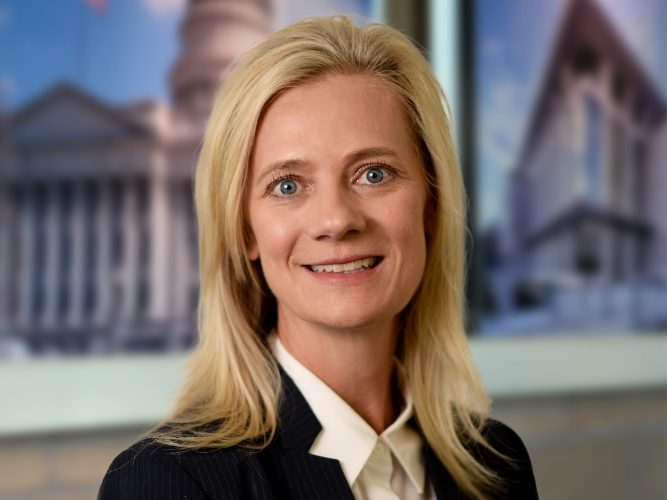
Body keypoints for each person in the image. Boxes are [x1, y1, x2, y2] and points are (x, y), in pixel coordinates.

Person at [99, 15, 538, 499]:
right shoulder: (168, 482)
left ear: (431, 203)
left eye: (373, 174)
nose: (336, 220)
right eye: (287, 185)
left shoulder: (499, 464)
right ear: (245, 230)